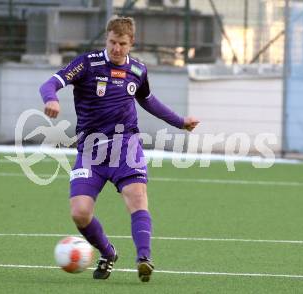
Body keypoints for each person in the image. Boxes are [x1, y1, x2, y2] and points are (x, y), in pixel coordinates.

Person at [39, 15, 199, 282]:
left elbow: (149, 101)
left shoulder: (137, 70)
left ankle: (144, 258)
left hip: (126, 146)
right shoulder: (87, 64)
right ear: (107, 39)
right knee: (79, 213)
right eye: (112, 42)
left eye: (122, 44)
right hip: (91, 150)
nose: (116, 48)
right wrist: (51, 99)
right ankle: (108, 252)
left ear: (131, 43)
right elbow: (50, 83)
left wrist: (180, 122)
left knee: (137, 198)